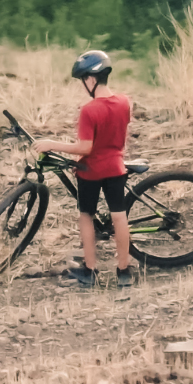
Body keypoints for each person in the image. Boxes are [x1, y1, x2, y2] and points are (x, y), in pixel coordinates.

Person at [34, 49, 135, 287]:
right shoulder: (124, 102)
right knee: (119, 217)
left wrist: (51, 144)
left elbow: (86, 147)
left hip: (91, 172)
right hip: (116, 167)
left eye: (83, 81)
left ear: (91, 79)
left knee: (86, 216)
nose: (83, 85)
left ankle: (90, 270)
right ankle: (123, 271)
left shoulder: (90, 110)